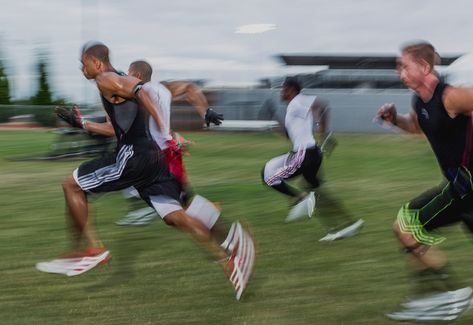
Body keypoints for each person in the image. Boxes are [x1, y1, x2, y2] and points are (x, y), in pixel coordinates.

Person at [36, 42, 255, 300]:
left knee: (72, 185)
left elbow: (139, 92)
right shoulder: (140, 85)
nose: (81, 68)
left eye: (83, 63)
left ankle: (91, 249)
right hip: (157, 160)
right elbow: (118, 124)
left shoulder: (109, 79)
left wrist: (165, 128)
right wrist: (82, 123)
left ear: (96, 63)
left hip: (138, 156)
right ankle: (229, 256)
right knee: (175, 215)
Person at [376, 41, 473, 321]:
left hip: (466, 187)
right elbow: (418, 128)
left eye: (404, 66)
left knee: (406, 226)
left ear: (424, 66)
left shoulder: (451, 97)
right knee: (408, 229)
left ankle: (448, 296)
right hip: (458, 187)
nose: (400, 72)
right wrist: (395, 120)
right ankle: (436, 297)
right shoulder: (420, 100)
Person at [116, 60, 223, 226]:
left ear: (136, 75)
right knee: (181, 198)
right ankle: (208, 214)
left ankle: (209, 219)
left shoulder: (137, 92)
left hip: (155, 154)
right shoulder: (163, 87)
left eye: (129, 74)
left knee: (171, 204)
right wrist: (206, 111)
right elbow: (189, 87)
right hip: (171, 150)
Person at [261, 77, 364, 240]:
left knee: (268, 174)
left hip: (304, 154)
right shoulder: (293, 109)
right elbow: (291, 135)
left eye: (283, 88)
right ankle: (345, 226)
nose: (281, 92)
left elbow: (323, 104)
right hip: (313, 154)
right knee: (316, 191)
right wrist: (274, 116)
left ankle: (299, 198)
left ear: (291, 89)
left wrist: (324, 132)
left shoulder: (297, 101)